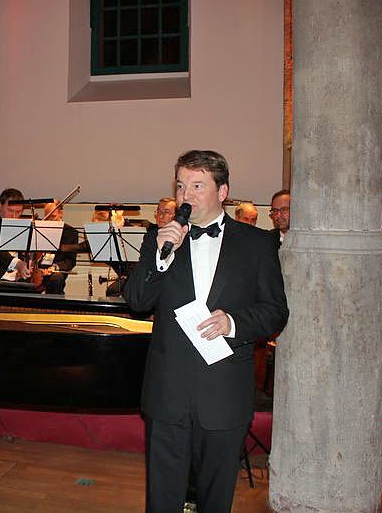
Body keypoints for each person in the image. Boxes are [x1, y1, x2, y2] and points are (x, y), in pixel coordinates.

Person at [124, 150, 288, 512]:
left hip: (224, 392)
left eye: (197, 186)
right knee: (162, 498)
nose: (186, 195)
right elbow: (136, 299)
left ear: (222, 191)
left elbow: (276, 311)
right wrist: (162, 257)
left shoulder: (257, 243)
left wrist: (234, 323)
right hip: (168, 390)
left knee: (216, 497)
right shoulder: (159, 239)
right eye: (181, 186)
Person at [38, 199, 79, 294]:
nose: (50, 220)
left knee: (56, 278)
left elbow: (70, 261)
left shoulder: (70, 232)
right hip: (39, 269)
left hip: (55, 270)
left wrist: (55, 267)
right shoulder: (39, 229)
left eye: (53, 216)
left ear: (61, 214)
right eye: (47, 217)